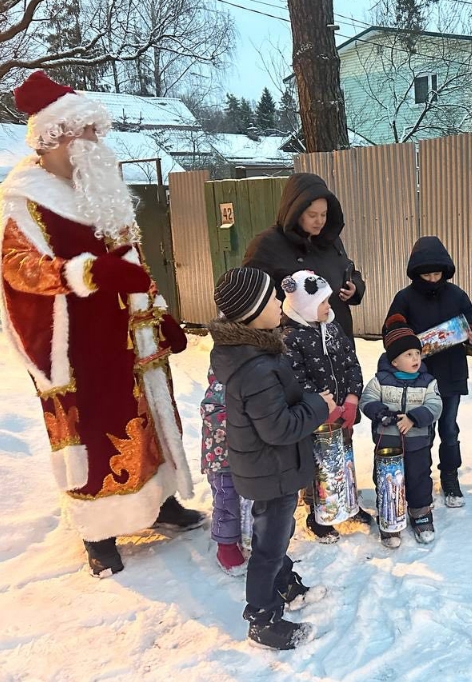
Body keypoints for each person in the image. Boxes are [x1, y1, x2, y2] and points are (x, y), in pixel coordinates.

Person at [0, 70, 201, 578]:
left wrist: (162, 314)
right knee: (95, 427)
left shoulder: (99, 189)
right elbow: (20, 271)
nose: (96, 142)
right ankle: (99, 530)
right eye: (88, 132)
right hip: (79, 344)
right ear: (57, 136)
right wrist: (87, 271)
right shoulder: (25, 199)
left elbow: (133, 263)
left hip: (130, 334)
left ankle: (159, 501)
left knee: (151, 414)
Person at [209, 266, 337, 650]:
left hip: (269, 466)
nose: (281, 303)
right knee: (269, 544)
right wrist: (319, 405)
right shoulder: (255, 366)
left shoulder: (255, 351)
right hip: (271, 468)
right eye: (272, 299)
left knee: (276, 534)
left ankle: (286, 586)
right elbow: (278, 427)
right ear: (251, 311)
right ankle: (263, 619)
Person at [386, 236, 472, 507]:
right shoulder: (404, 298)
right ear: (416, 272)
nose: (432, 278)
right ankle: (421, 479)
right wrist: (407, 343)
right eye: (426, 274)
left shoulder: (457, 294)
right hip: (419, 379)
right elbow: (391, 332)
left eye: (437, 273)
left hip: (451, 375)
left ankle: (450, 477)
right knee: (422, 431)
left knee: (449, 429)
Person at [279, 269, 373, 543]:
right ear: (305, 306)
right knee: (316, 462)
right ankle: (316, 512)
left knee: (343, 456)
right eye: (322, 302)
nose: (329, 307)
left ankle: (347, 502)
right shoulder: (290, 338)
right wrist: (323, 405)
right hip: (314, 418)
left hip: (343, 411)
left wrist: (352, 397)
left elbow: (350, 362)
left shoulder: (332, 327)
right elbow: (296, 380)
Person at [242, 173, 366, 344]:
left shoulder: (330, 240)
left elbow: (348, 270)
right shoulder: (267, 245)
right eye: (312, 215)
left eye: (324, 214)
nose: (320, 221)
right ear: (295, 212)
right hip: (296, 348)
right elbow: (250, 298)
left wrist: (355, 287)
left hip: (339, 342)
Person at [359, 315, 443, 548]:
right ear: (394, 361)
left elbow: (436, 406)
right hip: (387, 445)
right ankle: (389, 519)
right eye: (408, 355)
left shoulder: (428, 382)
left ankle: (421, 513)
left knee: (418, 478)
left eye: (417, 353)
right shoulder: (380, 381)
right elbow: (367, 400)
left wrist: (415, 418)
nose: (415, 358)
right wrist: (381, 413)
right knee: (387, 481)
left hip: (417, 444)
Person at [200, 369, 252, 575]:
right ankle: (226, 547)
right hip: (222, 459)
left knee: (245, 502)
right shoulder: (224, 379)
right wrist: (246, 426)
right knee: (227, 502)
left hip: (246, 457)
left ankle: (243, 537)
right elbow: (211, 412)